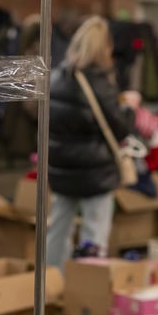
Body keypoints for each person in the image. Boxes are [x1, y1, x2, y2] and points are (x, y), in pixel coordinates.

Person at [46, 16, 136, 269]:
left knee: (57, 228)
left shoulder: (56, 78)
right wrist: (129, 108)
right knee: (94, 232)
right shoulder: (101, 84)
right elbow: (121, 129)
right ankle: (86, 288)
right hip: (95, 171)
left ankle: (53, 281)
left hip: (60, 168)